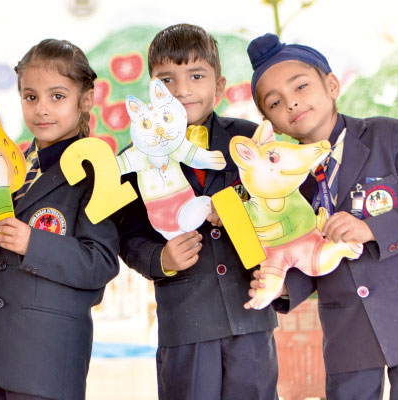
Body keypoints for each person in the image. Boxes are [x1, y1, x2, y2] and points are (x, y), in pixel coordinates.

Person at [246, 33, 398, 399]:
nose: (292, 102)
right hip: (347, 331)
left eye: (300, 86)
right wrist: (284, 286)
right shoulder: (285, 186)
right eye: (275, 102)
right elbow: (308, 256)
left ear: (332, 85)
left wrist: (369, 229)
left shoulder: (390, 135)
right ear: (271, 124)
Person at [115, 24, 279, 399]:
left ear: (219, 86)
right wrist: (161, 258)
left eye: (196, 76)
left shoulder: (249, 139)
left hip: (250, 313)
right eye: (166, 79)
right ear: (152, 88)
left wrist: (243, 206)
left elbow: (277, 201)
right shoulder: (135, 158)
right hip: (185, 323)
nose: (182, 90)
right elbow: (128, 234)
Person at [0, 38, 120, 399]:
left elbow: (102, 263)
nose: (41, 109)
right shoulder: (9, 167)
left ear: (86, 99)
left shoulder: (94, 171)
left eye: (57, 96)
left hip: (48, 365)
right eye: (31, 97)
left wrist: (33, 243)